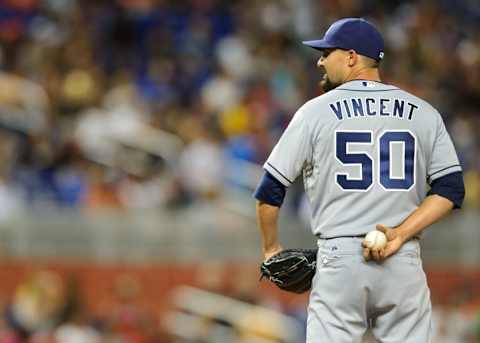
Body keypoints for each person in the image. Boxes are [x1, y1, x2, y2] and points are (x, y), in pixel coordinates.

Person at [253, 18, 465, 343]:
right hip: (402, 257)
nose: (320, 60)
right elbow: (450, 189)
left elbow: (270, 190)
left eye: (327, 52)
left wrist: (270, 249)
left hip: (340, 259)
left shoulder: (314, 112)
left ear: (351, 57)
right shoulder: (424, 112)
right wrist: (399, 233)